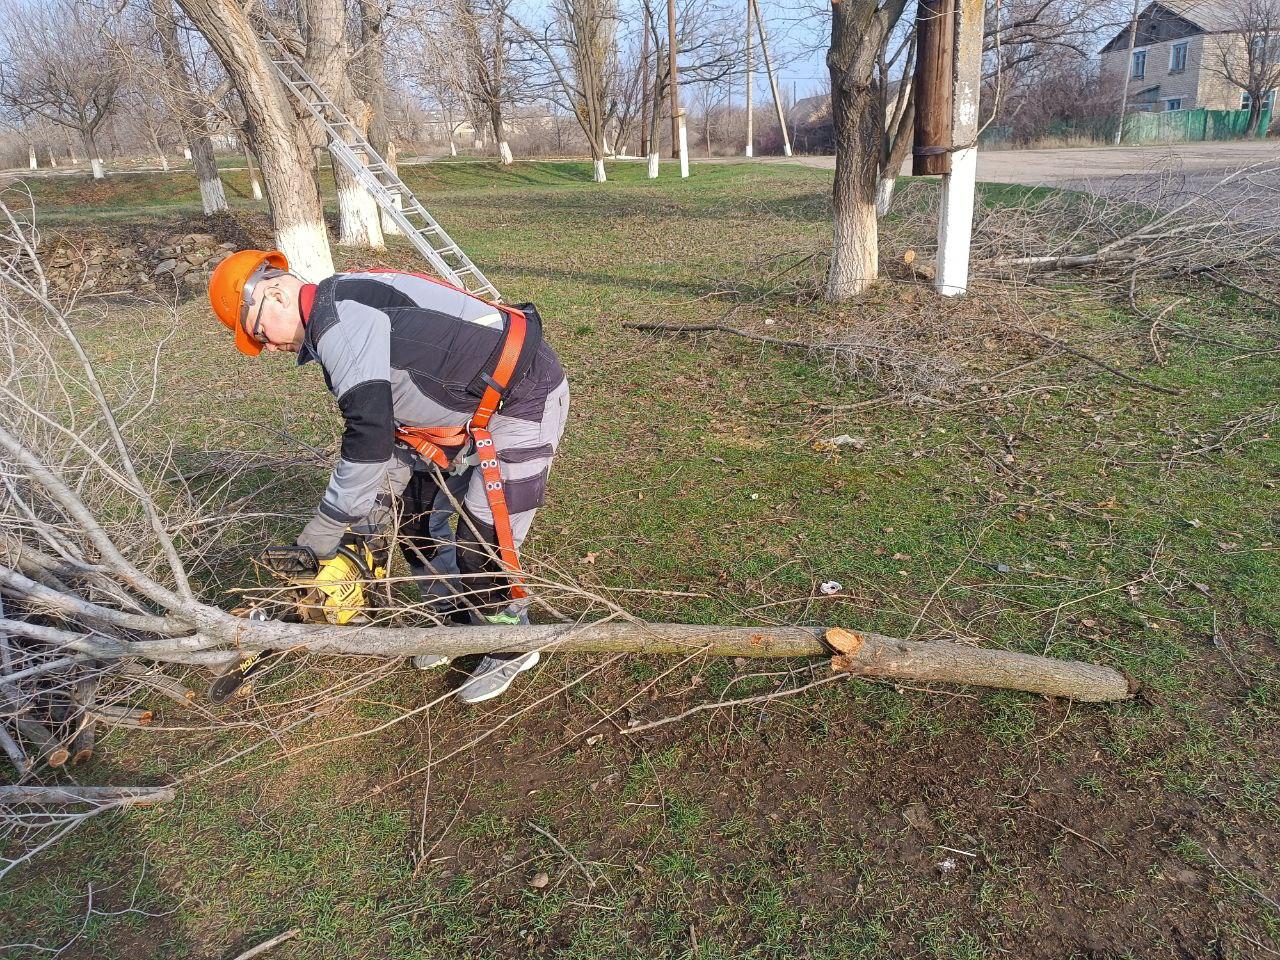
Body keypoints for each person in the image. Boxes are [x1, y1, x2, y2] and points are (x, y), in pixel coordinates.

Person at [207, 250, 569, 704]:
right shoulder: (335, 307)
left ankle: (511, 642)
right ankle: (454, 627)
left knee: (480, 541)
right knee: (415, 526)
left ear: (275, 293)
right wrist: (368, 521)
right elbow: (391, 410)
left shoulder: (339, 322)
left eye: (259, 332)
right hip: (448, 412)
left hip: (520, 398)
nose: (267, 347)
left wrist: (323, 531)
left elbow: (370, 435)